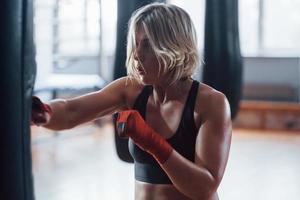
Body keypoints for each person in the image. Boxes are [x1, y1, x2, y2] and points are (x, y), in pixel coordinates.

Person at [31, 3, 232, 200]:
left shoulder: (210, 103)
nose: (136, 55)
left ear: (173, 46)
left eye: (147, 45)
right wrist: (45, 112)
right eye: (136, 45)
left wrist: (152, 142)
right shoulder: (131, 91)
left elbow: (204, 187)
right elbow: (70, 111)